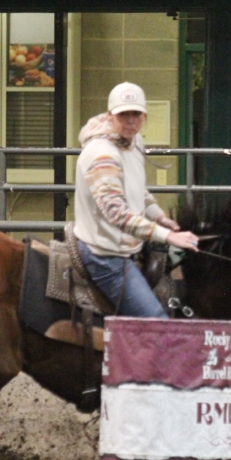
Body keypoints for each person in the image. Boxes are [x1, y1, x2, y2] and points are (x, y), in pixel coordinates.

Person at [73, 82, 200, 317]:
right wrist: (168, 236)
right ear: (110, 116)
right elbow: (117, 213)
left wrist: (158, 216)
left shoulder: (134, 142)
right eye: (124, 114)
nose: (131, 121)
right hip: (105, 256)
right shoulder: (102, 154)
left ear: (144, 116)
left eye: (136, 114)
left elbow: (137, 189)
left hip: (127, 246)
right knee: (156, 322)